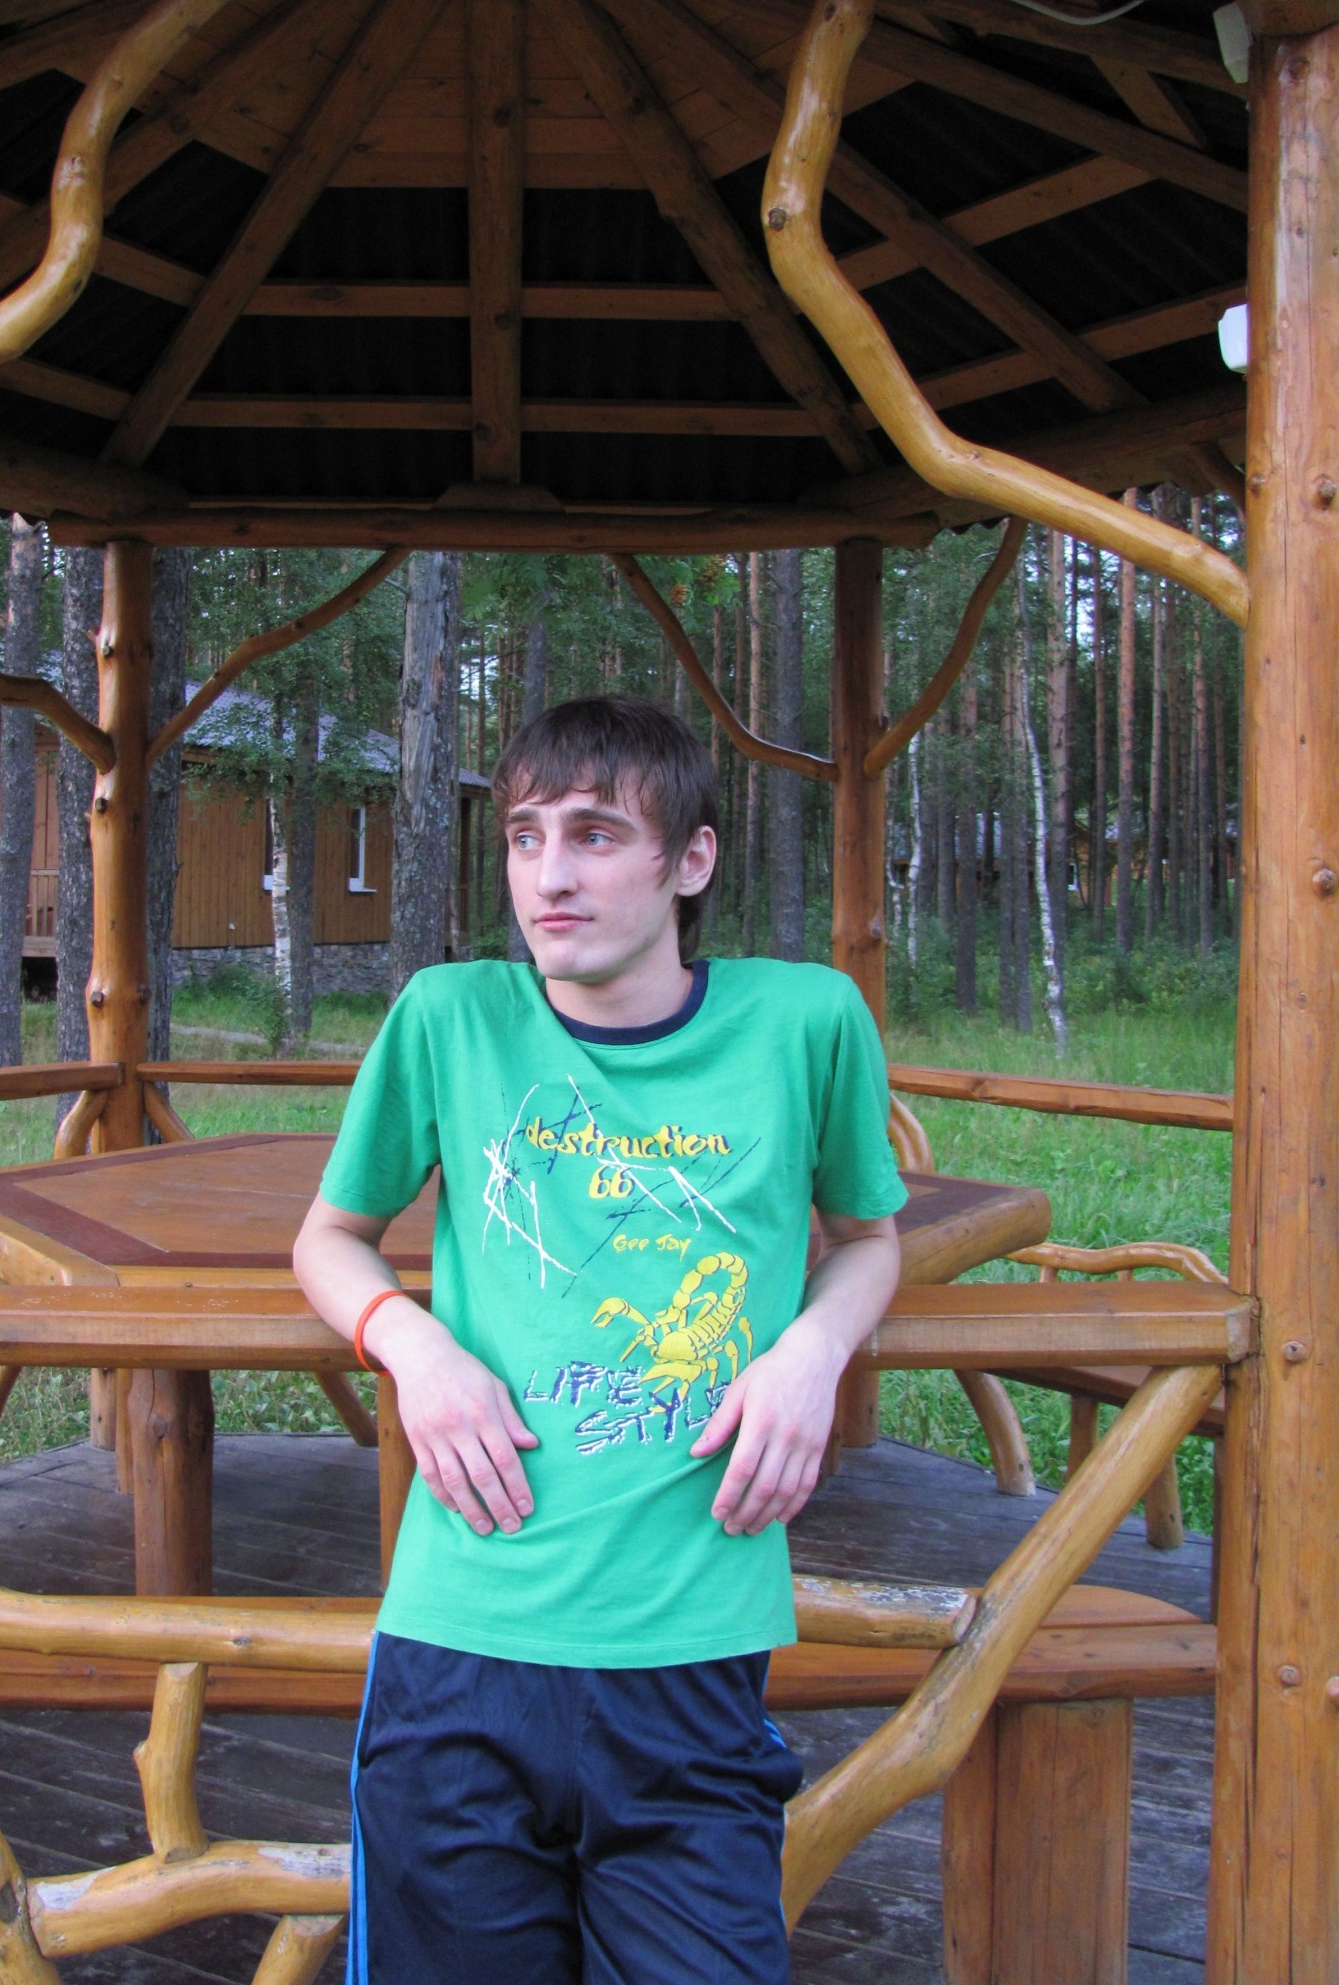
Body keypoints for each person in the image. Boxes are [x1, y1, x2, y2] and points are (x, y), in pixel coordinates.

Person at [294, 694, 905, 1985]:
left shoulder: (806, 1023)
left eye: (594, 834)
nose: (549, 876)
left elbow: (868, 1237)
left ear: (692, 859)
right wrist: (414, 1346)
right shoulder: (450, 1019)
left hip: (689, 1653)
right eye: (525, 837)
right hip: (463, 1644)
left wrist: (813, 1352)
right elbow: (330, 1239)